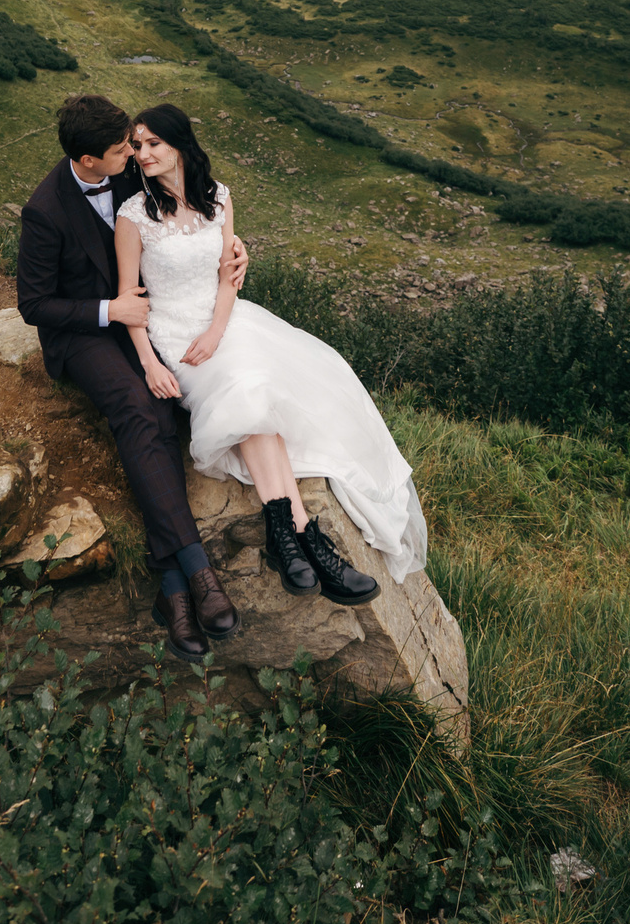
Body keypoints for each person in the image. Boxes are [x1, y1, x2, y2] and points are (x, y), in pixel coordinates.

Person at [113, 102, 426, 607]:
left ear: (179, 145)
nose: (142, 154)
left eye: (153, 143)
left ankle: (289, 538)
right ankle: (305, 538)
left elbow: (225, 276)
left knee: (261, 389)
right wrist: (150, 362)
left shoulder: (217, 198)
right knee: (250, 396)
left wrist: (218, 330)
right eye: (138, 145)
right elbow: (130, 300)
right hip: (175, 337)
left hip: (224, 323)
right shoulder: (133, 215)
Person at [15, 94, 251, 664]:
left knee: (164, 408)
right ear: (90, 159)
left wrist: (234, 248)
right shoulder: (44, 210)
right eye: (124, 149)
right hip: (85, 331)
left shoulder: (128, 178)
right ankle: (193, 573)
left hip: (143, 318)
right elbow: (33, 304)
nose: (137, 155)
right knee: (133, 404)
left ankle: (170, 590)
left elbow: (187, 212)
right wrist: (108, 311)